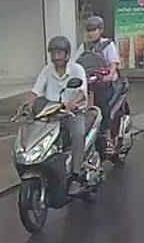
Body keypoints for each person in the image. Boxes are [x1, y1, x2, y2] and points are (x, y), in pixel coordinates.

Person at [20, 36, 89, 193]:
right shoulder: (47, 70)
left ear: (67, 54)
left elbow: (82, 92)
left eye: (59, 53)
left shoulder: (77, 70)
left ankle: (76, 176)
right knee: (36, 133)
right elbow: (36, 91)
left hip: (73, 113)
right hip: (51, 114)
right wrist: (26, 103)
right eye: (53, 53)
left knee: (78, 135)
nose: (56, 57)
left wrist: (72, 103)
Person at [78, 15, 121, 154]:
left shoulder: (108, 45)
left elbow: (113, 63)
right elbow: (76, 63)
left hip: (106, 84)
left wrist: (109, 75)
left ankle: (108, 137)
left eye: (94, 30)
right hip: (90, 83)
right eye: (88, 30)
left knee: (102, 104)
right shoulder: (84, 47)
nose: (90, 33)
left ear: (101, 30)